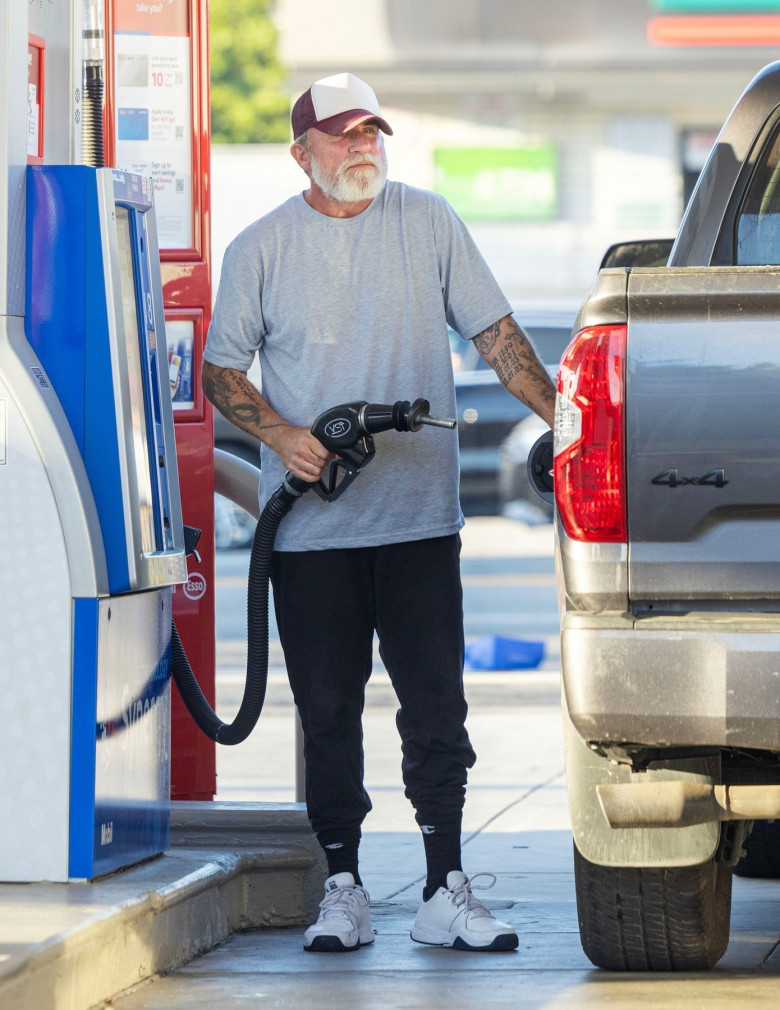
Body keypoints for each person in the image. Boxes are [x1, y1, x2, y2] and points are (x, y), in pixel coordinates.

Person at [202, 72, 556, 954]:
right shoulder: (262, 248)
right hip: (314, 530)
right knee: (326, 710)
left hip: (420, 522)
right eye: (342, 133)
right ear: (302, 152)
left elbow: (500, 342)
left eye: (372, 132)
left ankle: (444, 889)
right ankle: (344, 885)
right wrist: (282, 435)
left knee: (437, 709)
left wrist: (574, 422)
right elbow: (219, 373)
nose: (362, 146)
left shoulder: (428, 222)